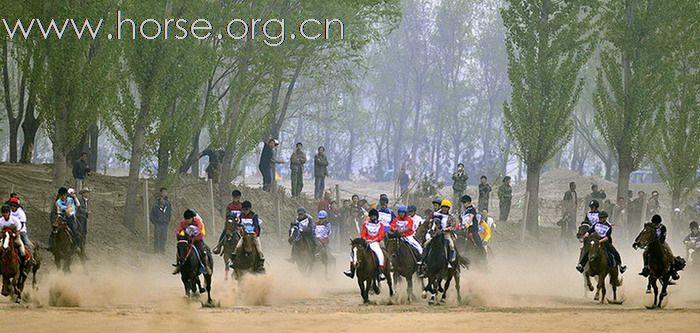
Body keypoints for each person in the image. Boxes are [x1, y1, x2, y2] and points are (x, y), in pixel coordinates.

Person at [344, 209, 386, 280]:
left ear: (377, 216)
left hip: (375, 242)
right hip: (366, 241)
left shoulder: (380, 225)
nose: (373, 217)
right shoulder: (366, 224)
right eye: (371, 216)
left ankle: (380, 271)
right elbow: (363, 233)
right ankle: (351, 270)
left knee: (380, 254)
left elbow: (381, 235)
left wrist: (374, 240)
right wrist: (364, 239)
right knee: (354, 253)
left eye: (374, 216)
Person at [635, 214, 679, 280]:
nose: (656, 225)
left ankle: (673, 269)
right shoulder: (649, 227)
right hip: (651, 244)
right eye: (654, 223)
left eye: (657, 223)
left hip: (662, 243)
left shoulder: (662, 227)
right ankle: (646, 267)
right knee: (645, 253)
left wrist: (659, 242)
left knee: (670, 253)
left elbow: (663, 236)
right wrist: (638, 241)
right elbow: (643, 234)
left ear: (659, 223)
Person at [173, 209, 211, 275]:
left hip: (198, 240)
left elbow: (200, 228)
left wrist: (195, 233)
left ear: (192, 218)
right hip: (188, 241)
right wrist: (178, 233)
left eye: (189, 219)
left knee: (203, 251)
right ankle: (178, 266)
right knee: (180, 250)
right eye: (186, 219)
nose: (187, 221)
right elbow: (178, 229)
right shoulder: (183, 223)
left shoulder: (198, 221)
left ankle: (206, 266)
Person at [423, 199, 458, 268]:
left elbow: (453, 225)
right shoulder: (435, 214)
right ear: (441, 207)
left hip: (446, 234)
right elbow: (430, 222)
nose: (444, 209)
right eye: (443, 207)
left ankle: (450, 261)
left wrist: (447, 229)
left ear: (448, 208)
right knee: (425, 244)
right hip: (435, 234)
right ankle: (424, 260)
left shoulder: (451, 217)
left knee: (451, 245)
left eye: (446, 207)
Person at [234, 201, 265, 267]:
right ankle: (233, 262)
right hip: (244, 236)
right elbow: (238, 224)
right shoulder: (241, 216)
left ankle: (261, 262)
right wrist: (239, 226)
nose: (245, 211)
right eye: (243, 210)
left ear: (249, 209)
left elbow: (256, 225)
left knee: (259, 249)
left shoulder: (254, 216)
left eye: (246, 210)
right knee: (237, 247)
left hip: (253, 235)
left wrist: (254, 233)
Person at [54, 187, 81, 251]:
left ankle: (77, 246)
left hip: (70, 217)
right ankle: (52, 244)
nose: (62, 197)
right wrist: (59, 215)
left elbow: (73, 208)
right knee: (54, 227)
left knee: (74, 230)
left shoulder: (70, 200)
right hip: (61, 217)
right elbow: (58, 211)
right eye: (61, 195)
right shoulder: (58, 202)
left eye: (64, 195)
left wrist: (68, 213)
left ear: (66, 195)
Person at [150, 188, 172, 254]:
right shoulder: (156, 204)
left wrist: (168, 220)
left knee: (164, 237)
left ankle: (162, 250)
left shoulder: (168, 204)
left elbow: (169, 213)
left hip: (165, 223)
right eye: (163, 192)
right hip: (158, 223)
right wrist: (154, 221)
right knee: (157, 236)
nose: (164, 193)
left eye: (166, 192)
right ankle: (156, 250)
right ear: (161, 193)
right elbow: (152, 213)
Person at [75, 187, 90, 258]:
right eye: (85, 192)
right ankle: (77, 246)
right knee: (80, 231)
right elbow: (78, 207)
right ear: (83, 193)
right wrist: (85, 212)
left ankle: (83, 249)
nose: (87, 194)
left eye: (87, 192)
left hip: (84, 218)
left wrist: (87, 213)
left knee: (84, 233)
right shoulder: (80, 200)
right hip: (80, 217)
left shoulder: (86, 201)